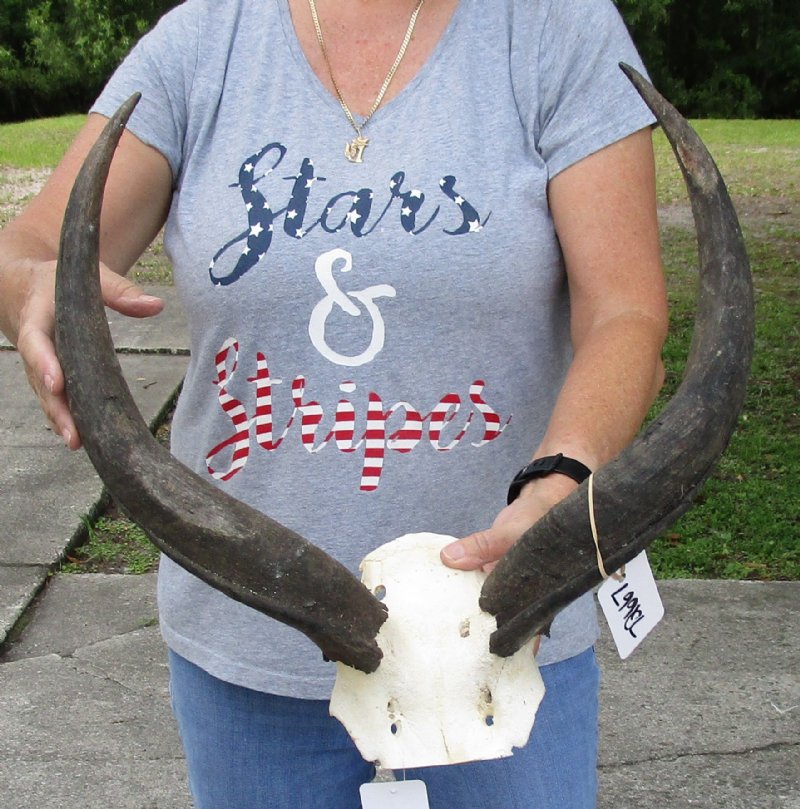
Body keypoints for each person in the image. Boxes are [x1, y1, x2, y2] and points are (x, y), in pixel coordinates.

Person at [0, 1, 668, 806]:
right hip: (253, 647)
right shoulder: (202, 43)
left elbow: (624, 313)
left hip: (500, 638)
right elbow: (34, 249)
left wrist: (559, 489)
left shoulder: (556, 31)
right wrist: (27, 285)